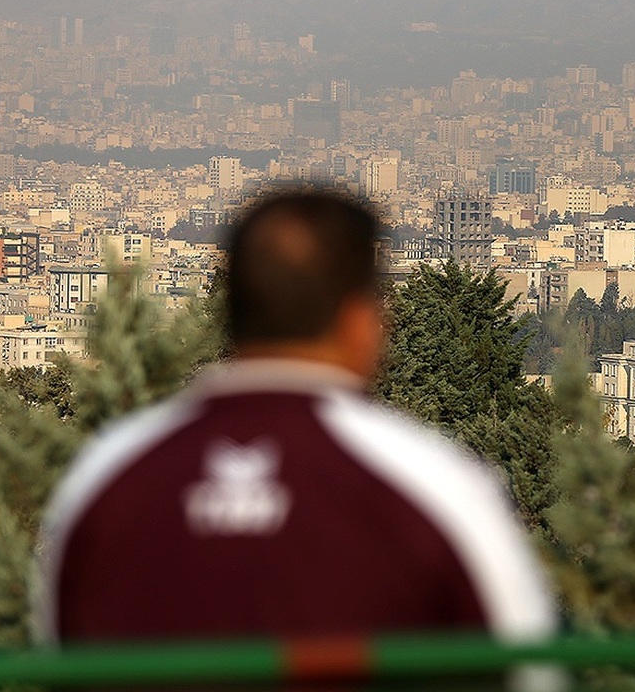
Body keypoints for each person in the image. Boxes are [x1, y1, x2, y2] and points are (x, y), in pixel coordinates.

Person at [33, 190, 557, 669]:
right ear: (361, 324)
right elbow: (525, 666)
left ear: (232, 312)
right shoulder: (431, 480)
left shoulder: (111, 474)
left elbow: (61, 652)